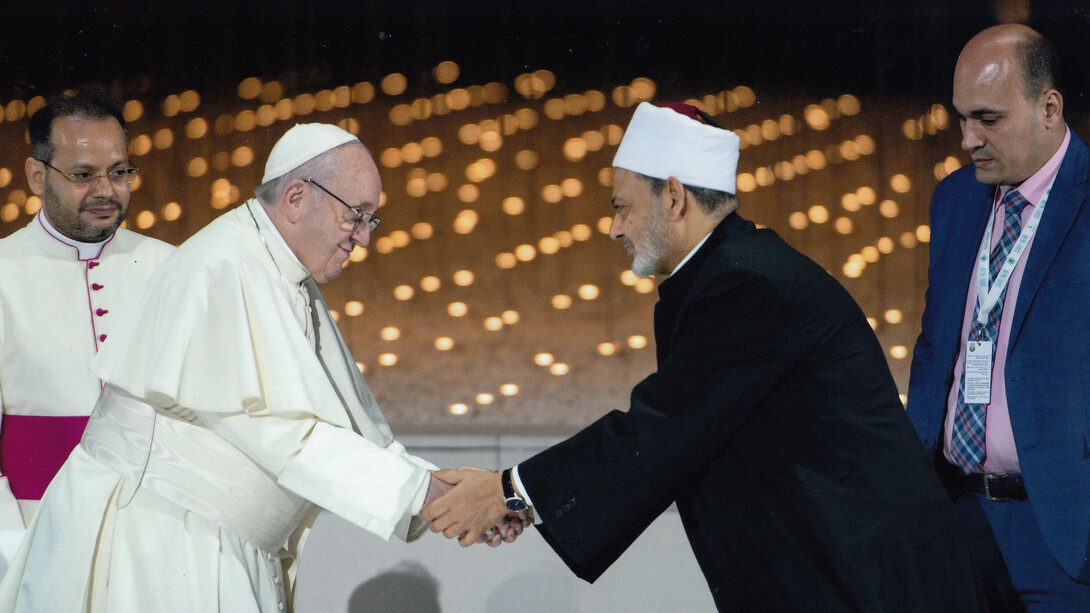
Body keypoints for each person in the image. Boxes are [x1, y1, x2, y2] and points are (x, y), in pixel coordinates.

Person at [423, 102, 985, 611]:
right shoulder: (724, 276)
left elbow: (662, 432)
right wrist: (517, 497)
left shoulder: (749, 287)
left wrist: (511, 491)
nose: (613, 226)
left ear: (673, 197)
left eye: (621, 207)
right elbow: (680, 442)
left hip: (871, 589)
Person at [0, 123, 517, 612]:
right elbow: (287, 437)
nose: (363, 238)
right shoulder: (223, 266)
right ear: (295, 199)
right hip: (157, 540)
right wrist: (432, 495)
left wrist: (449, 491)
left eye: (369, 219)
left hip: (214, 541)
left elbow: (344, 428)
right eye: (354, 215)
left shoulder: (282, 273)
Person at [905, 24, 1090, 610]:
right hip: (956, 519)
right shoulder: (955, 198)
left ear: (1049, 108)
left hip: (1064, 529)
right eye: (962, 118)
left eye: (988, 118)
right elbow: (937, 348)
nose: (968, 139)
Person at [0, 90, 174, 565]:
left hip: (156, 539)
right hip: (35, 539)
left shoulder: (171, 268)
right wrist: (11, 548)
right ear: (37, 175)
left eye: (119, 172)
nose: (106, 190)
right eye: (83, 175)